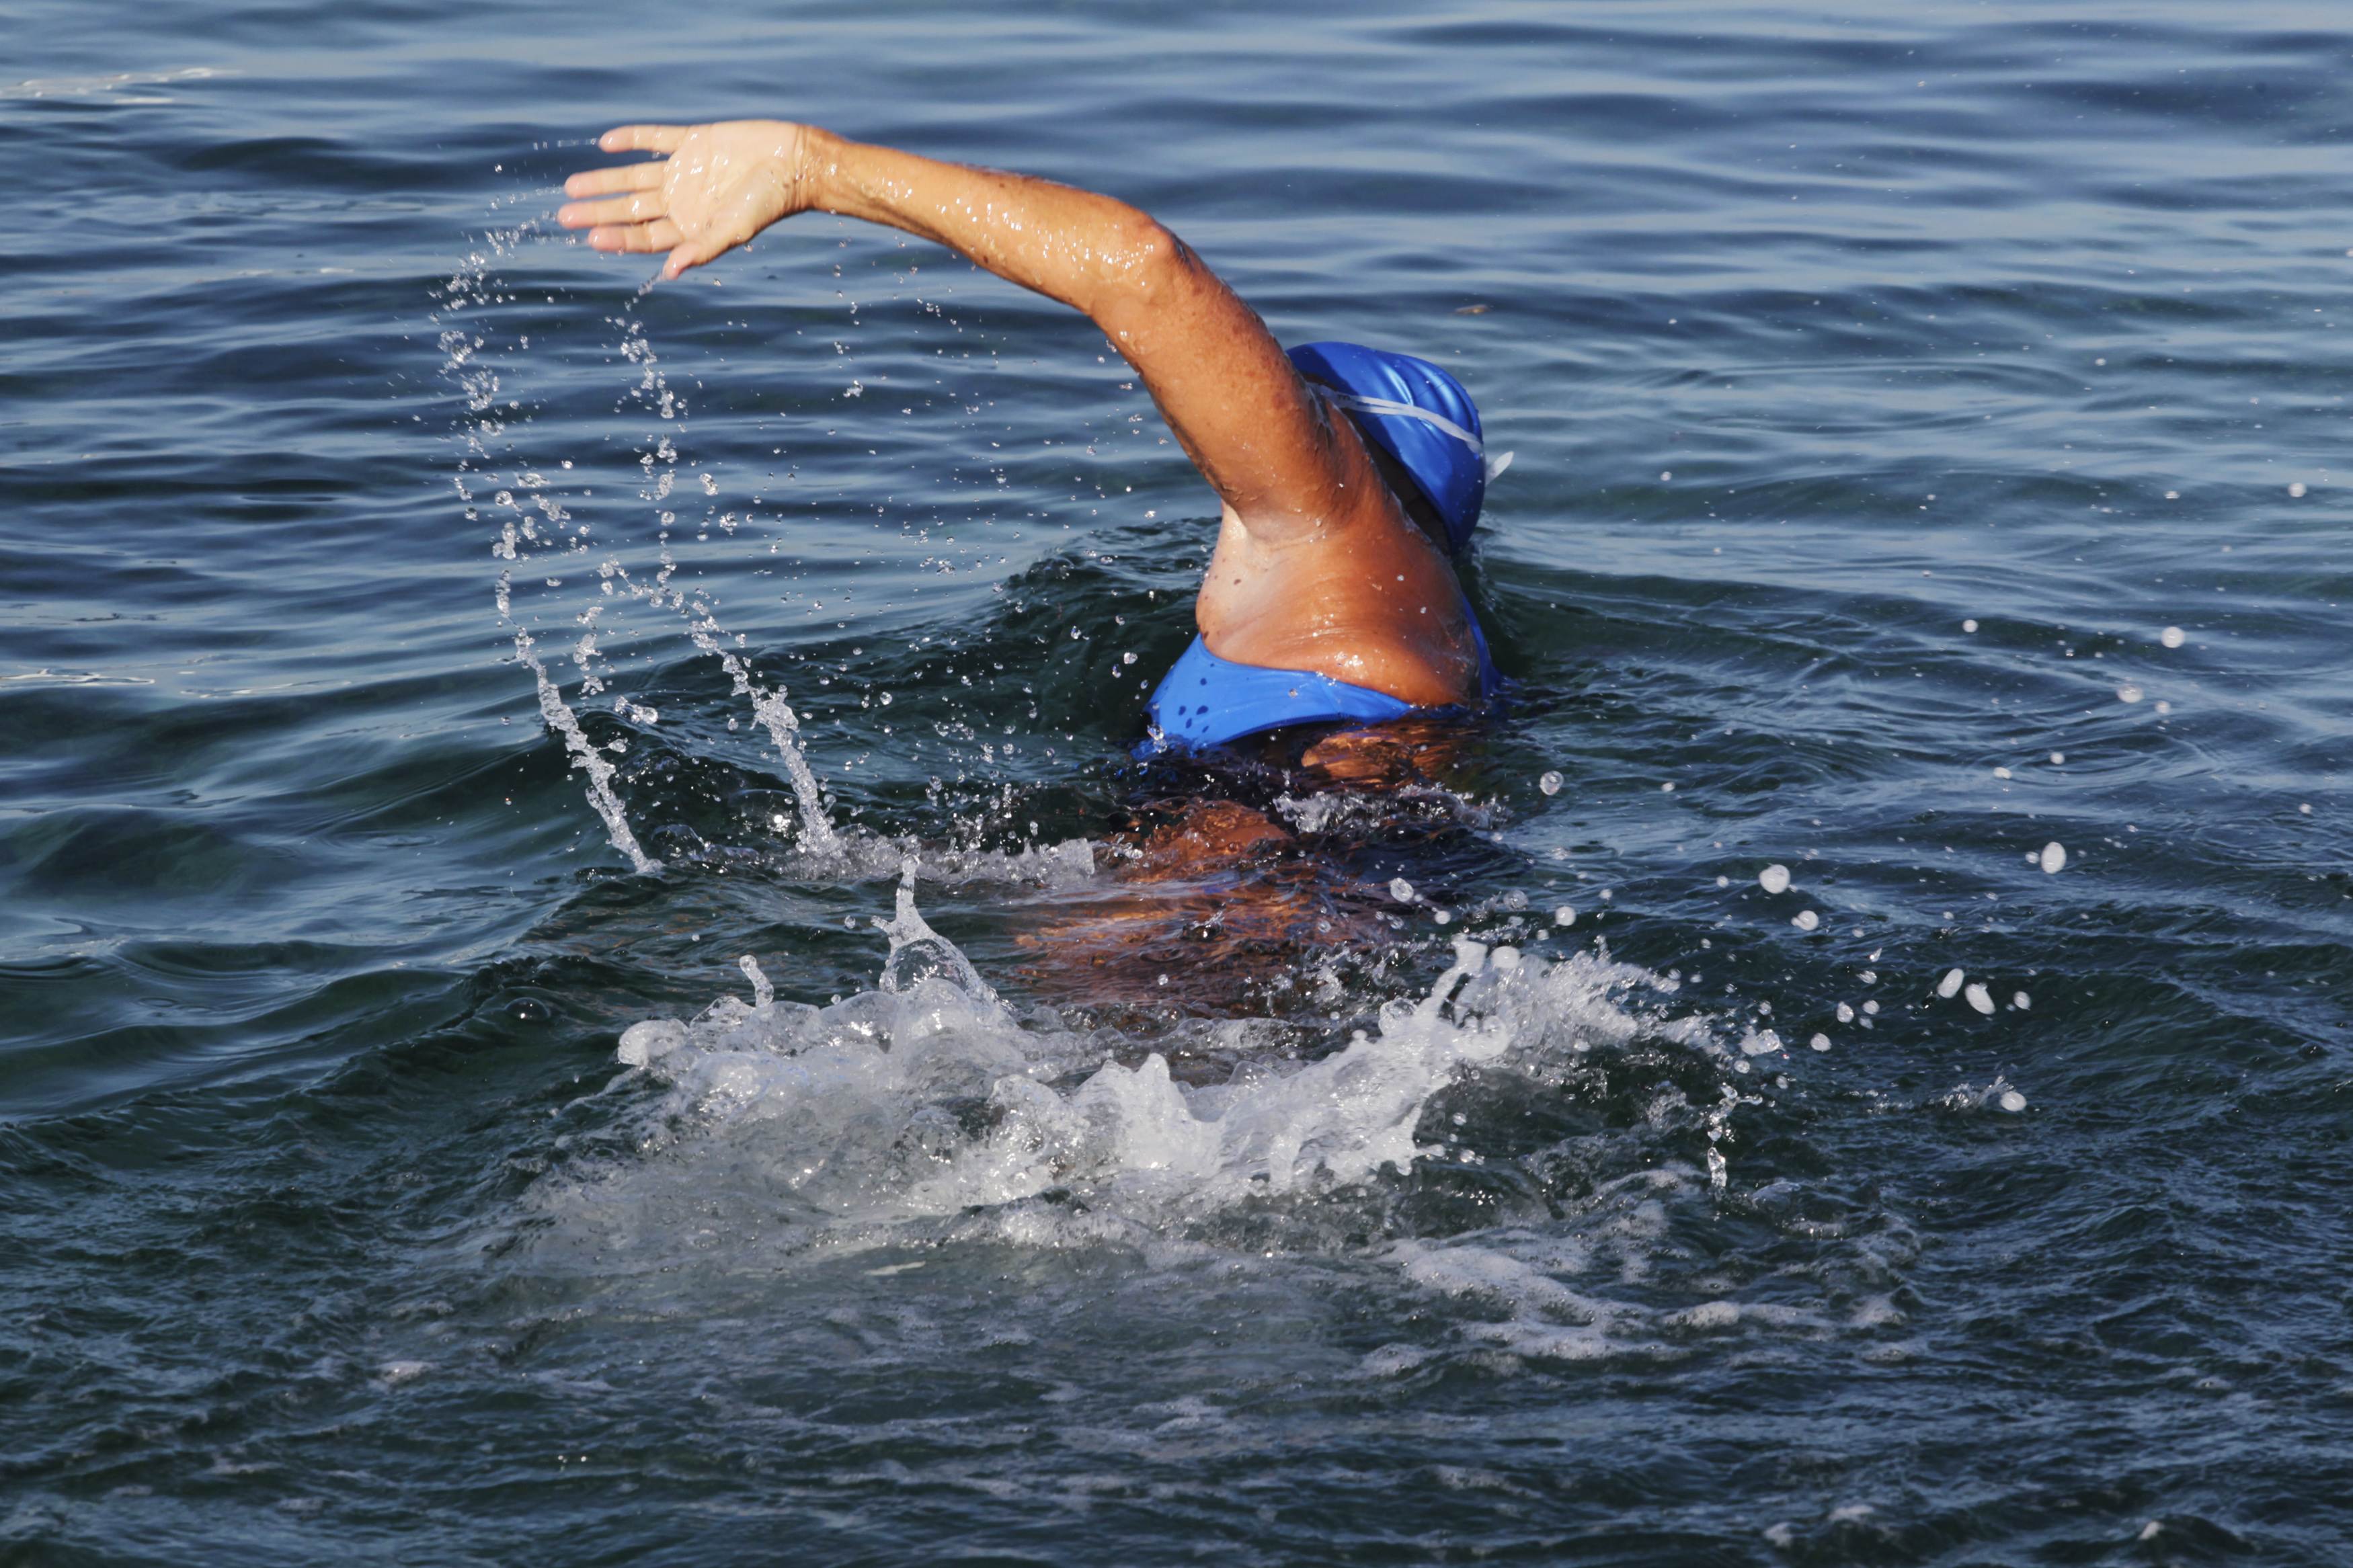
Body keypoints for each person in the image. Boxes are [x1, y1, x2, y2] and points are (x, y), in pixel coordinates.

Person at [558, 120, 1505, 761]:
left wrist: (816, 169)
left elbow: (1146, 270)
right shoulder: (1428, 626)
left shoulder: (1330, 522)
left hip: (1268, 854)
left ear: (1343, 443)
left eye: (1293, 407)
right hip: (1326, 857)